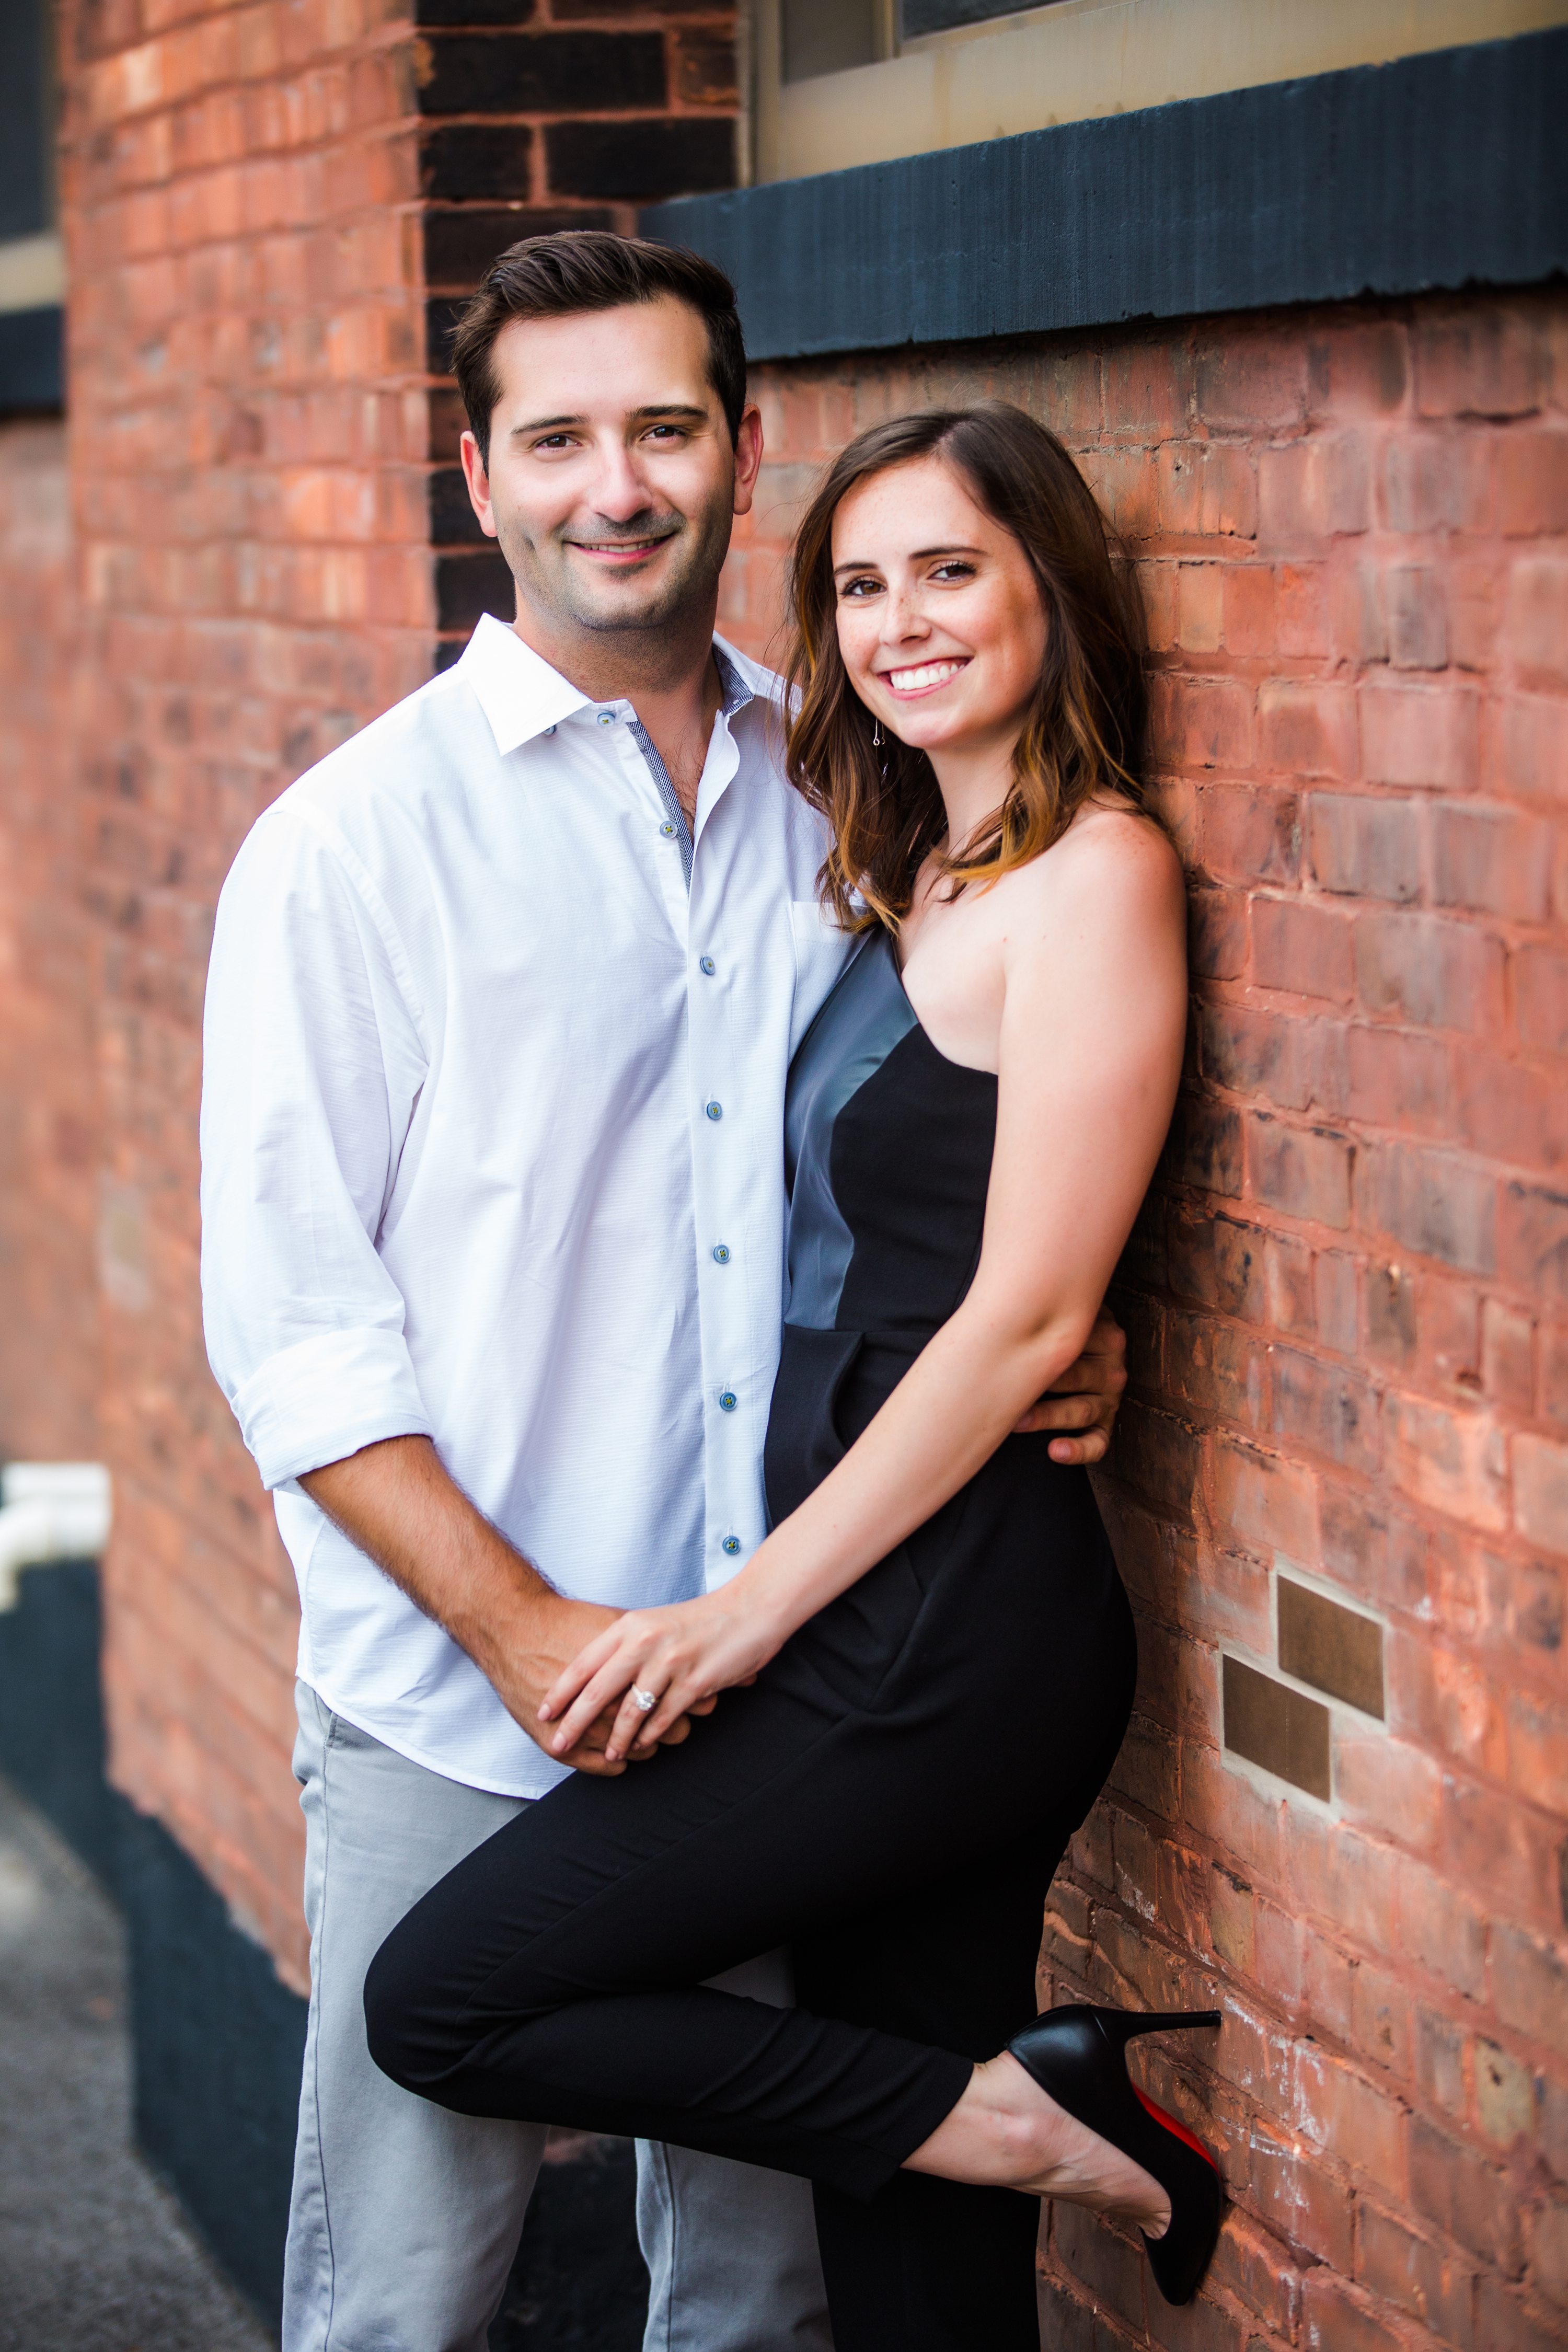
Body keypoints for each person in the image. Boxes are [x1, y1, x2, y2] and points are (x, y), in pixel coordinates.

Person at [198, 237, 1128, 2352]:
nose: (613, 483)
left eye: (662, 428)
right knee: (411, 2295)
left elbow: (929, 1174)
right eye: (557, 439)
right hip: (469, 1687)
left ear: (741, 450)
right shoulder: (352, 850)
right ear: (481, 474)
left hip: (786, 1679)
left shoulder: (860, 790)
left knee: (760, 2287)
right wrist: (530, 1643)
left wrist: (1069, 1331)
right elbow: (294, 1329)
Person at [362, 402, 1223, 2352]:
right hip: (888, 1602)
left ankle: (1017, 2119)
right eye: (857, 585)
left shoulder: (1098, 875)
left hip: (945, 1633)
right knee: (909, 2248)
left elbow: (1017, 1311)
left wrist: (733, 1620)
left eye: (950, 570)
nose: (900, 621)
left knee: (450, 1995)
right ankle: (1006, 2119)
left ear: (1048, 593)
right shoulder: (906, 864)